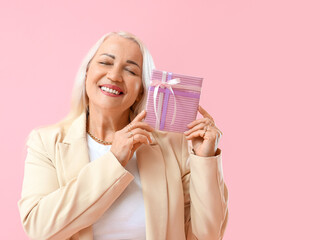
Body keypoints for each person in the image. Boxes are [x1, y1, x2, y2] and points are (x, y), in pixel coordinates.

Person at [18, 31, 228, 240]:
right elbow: (39, 228)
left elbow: (209, 235)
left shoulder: (174, 146)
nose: (115, 76)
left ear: (141, 90)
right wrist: (114, 160)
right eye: (106, 62)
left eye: (130, 70)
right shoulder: (46, 142)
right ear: (87, 73)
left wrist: (205, 160)